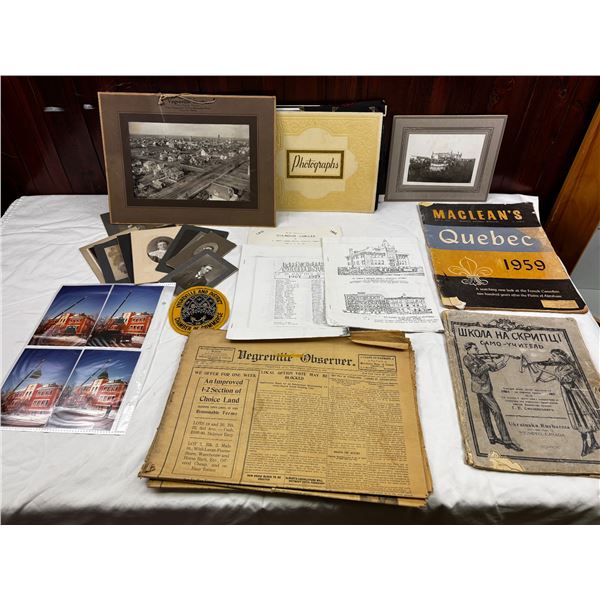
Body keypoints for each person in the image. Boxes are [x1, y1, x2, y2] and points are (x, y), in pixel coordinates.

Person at [534, 348, 600, 457]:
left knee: (583, 417)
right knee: (579, 418)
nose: (552, 359)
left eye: (554, 356)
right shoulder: (558, 368)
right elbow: (554, 377)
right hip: (568, 396)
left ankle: (588, 445)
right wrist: (542, 378)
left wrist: (544, 370)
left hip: (574, 396)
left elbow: (563, 379)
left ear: (560, 357)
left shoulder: (569, 367)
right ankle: (593, 442)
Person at [463, 342, 523, 452]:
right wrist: (488, 364)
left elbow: (493, 369)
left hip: (485, 388)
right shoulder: (467, 358)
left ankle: (491, 437)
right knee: (497, 411)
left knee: (485, 413)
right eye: (475, 348)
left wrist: (504, 361)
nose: (477, 350)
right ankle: (507, 441)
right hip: (481, 389)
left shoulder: (478, 359)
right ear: (468, 349)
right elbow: (476, 372)